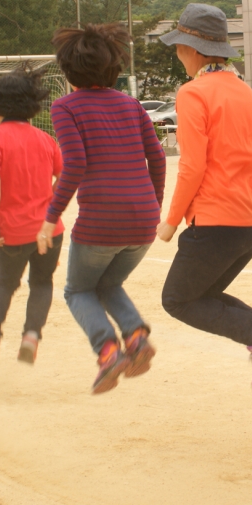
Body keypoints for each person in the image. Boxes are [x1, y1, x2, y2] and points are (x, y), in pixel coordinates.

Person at [156, 3, 252, 393]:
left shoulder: (193, 93)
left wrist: (171, 220)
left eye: (179, 47)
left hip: (215, 221)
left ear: (193, 49)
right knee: (204, 294)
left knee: (178, 299)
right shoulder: (244, 91)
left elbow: (192, 166)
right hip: (250, 222)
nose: (178, 56)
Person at [36, 23, 166, 394]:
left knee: (77, 291)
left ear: (68, 69)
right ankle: (137, 338)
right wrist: (153, 206)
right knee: (109, 283)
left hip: (100, 221)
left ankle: (109, 351)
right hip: (142, 220)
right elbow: (157, 157)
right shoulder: (131, 105)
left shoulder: (65, 107)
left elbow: (73, 165)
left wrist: (50, 217)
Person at [0, 65, 64, 365]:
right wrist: (51, 208)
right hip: (49, 229)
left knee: (5, 283)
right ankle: (31, 337)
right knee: (42, 283)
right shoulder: (45, 139)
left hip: (11, 230)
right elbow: (64, 177)